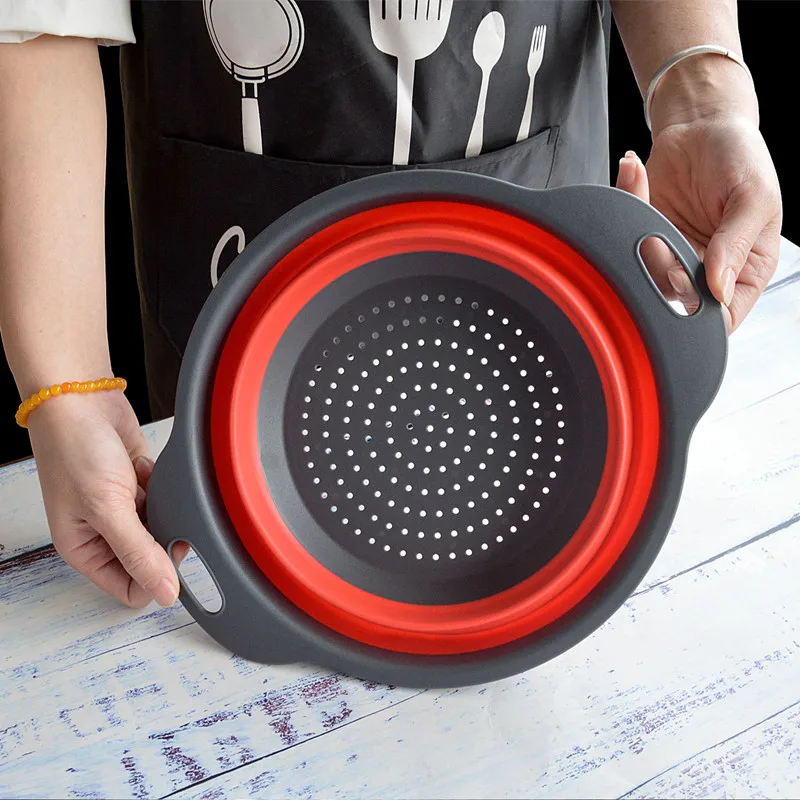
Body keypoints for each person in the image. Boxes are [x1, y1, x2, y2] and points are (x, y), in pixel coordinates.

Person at [0, 1, 782, 610]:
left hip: (541, 231)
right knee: (249, 534)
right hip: (238, 252)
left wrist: (702, 98)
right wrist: (67, 384)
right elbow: (35, 20)